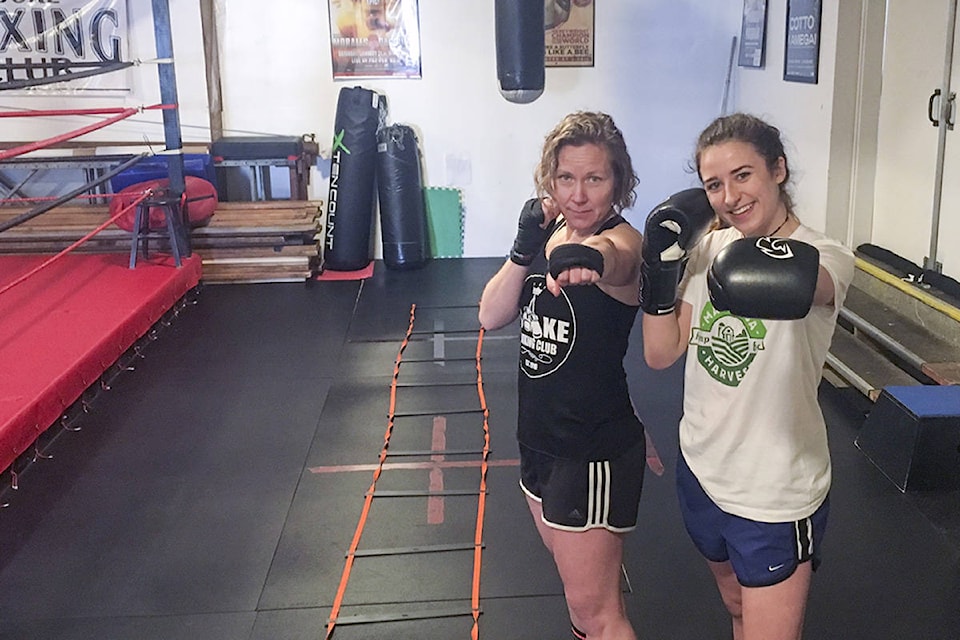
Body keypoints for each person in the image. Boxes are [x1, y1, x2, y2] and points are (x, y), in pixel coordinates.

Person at [640, 113, 856, 640]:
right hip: (703, 467)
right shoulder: (707, 251)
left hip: (775, 487)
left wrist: (755, 269)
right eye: (714, 184)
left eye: (743, 175)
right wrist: (660, 272)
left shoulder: (826, 255)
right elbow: (660, 353)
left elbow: (817, 286)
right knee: (736, 607)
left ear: (777, 170)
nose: (730, 197)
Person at [478, 111, 645, 640]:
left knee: (599, 614)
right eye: (566, 178)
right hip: (539, 439)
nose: (578, 194)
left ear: (617, 181)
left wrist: (590, 258)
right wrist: (522, 247)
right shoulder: (548, 230)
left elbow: (618, 260)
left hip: (590, 449)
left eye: (594, 178)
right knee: (582, 604)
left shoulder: (623, 241)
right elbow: (491, 315)